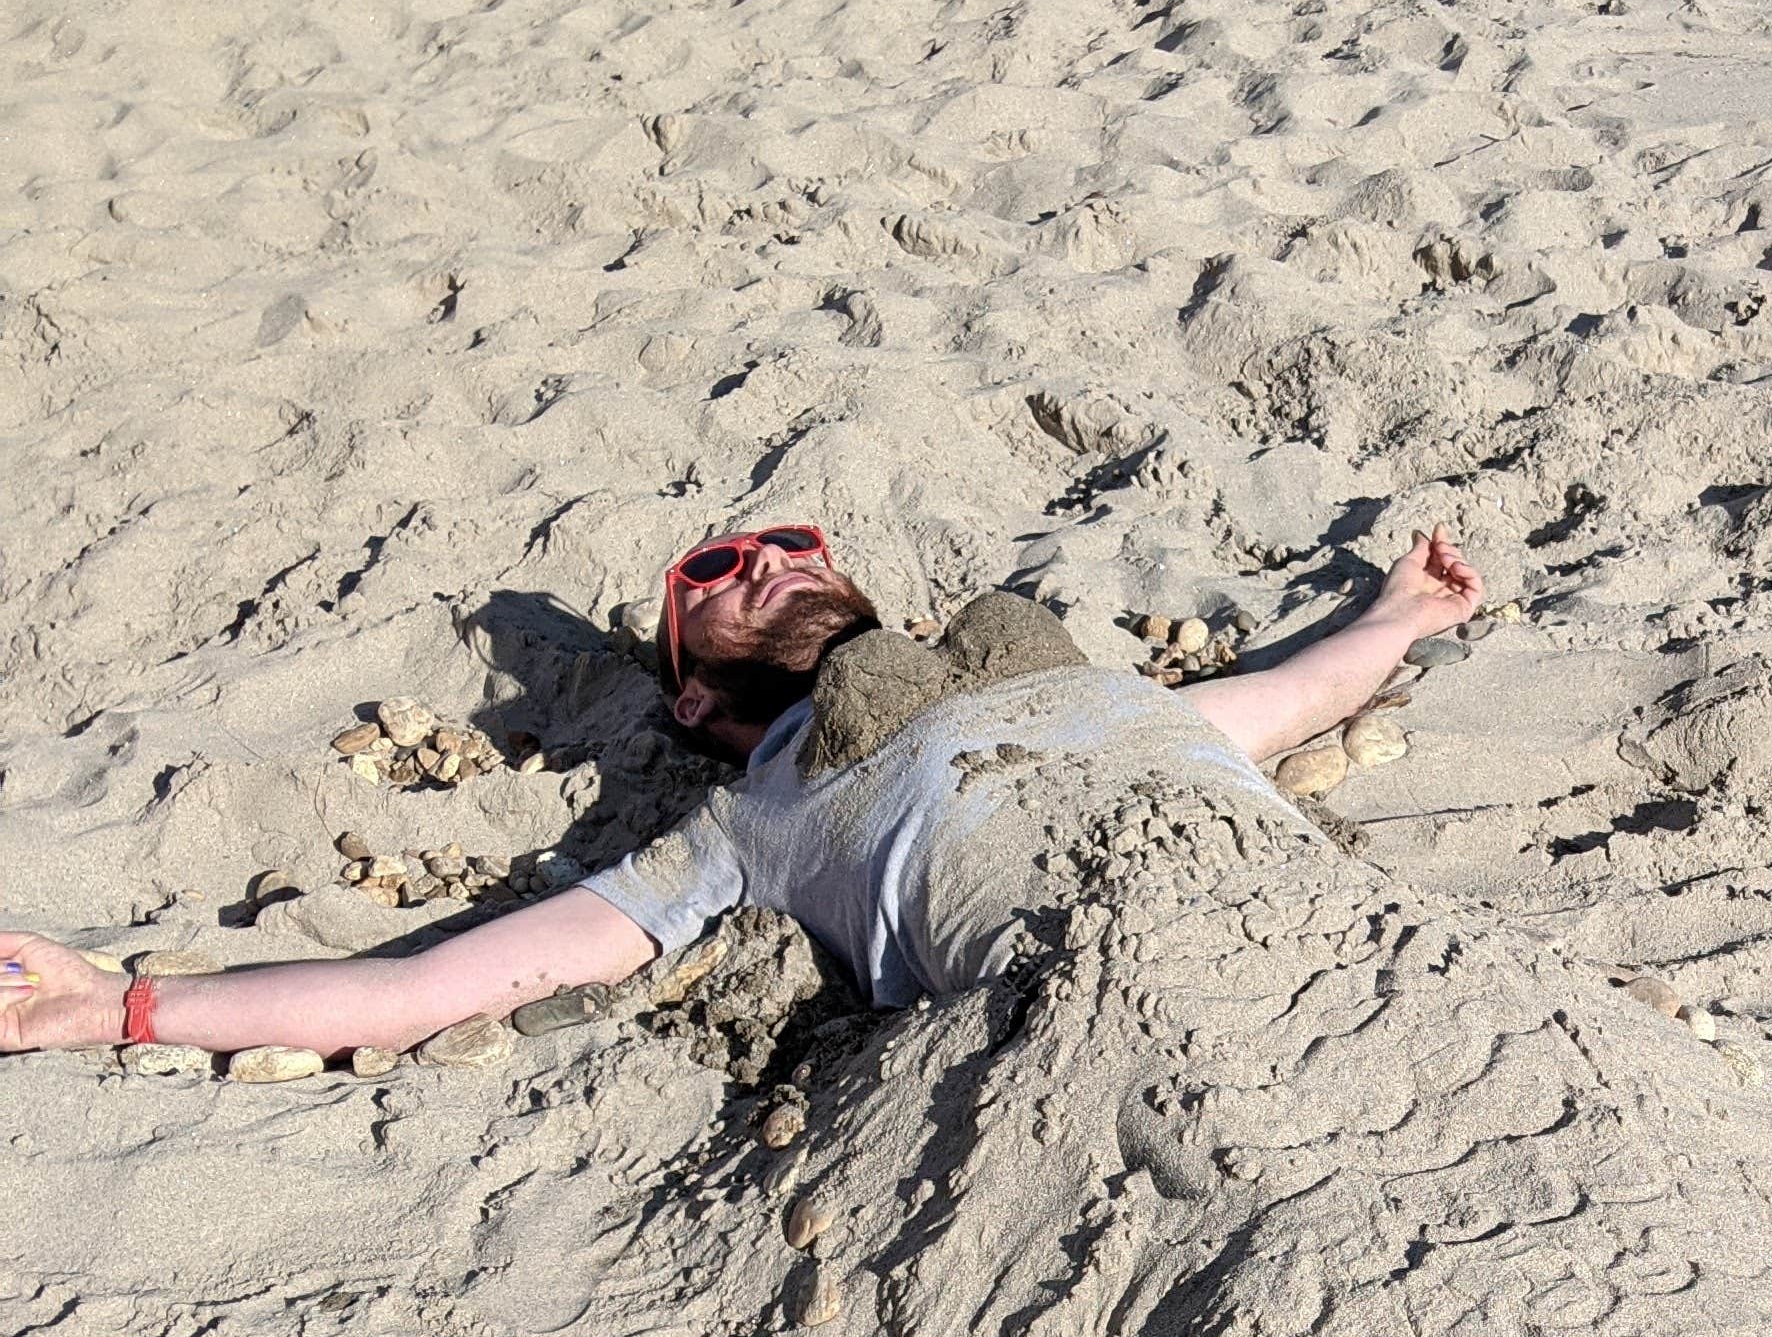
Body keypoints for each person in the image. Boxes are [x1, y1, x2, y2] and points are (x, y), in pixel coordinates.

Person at [0, 524, 1481, 1058]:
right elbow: (425, 989)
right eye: (711, 575)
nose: (768, 557)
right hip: (1115, 1017)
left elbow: (1295, 699)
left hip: (1353, 950)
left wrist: (1399, 615)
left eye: (791, 547)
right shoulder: (744, 824)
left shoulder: (1104, 695)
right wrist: (122, 1004)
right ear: (695, 701)